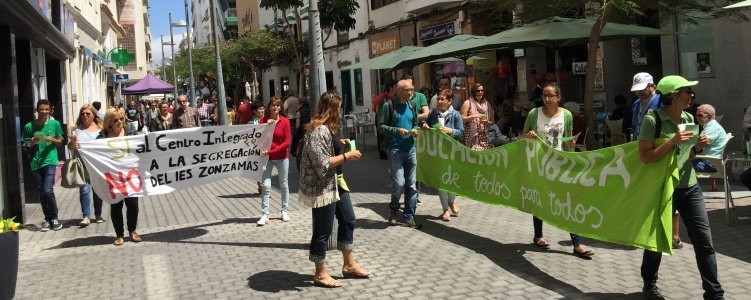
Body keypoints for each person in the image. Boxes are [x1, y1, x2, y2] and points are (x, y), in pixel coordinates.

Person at [638, 75, 723, 300]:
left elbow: (684, 156)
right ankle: (649, 284)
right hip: (663, 189)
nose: (692, 95)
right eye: (688, 91)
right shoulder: (652, 120)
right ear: (673, 95)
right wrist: (672, 141)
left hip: (690, 186)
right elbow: (645, 157)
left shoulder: (688, 117)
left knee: (704, 243)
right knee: (657, 242)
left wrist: (696, 148)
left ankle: (714, 294)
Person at [298, 91, 370, 288]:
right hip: (323, 186)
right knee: (323, 229)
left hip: (337, 183)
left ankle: (349, 265)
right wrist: (348, 156)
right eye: (338, 108)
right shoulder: (318, 131)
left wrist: (341, 144)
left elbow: (330, 148)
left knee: (348, 219)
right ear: (331, 109)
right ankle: (320, 273)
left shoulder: (328, 129)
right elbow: (322, 163)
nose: (340, 111)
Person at [522, 83, 594, 259]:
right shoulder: (534, 114)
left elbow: (569, 141)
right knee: (539, 201)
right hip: (539, 165)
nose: (547, 99)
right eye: (545, 96)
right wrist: (528, 135)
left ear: (558, 97)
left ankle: (577, 243)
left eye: (551, 95)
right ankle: (538, 235)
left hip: (560, 165)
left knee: (568, 201)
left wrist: (571, 160)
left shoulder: (567, 115)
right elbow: (523, 134)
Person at [377, 79, 420, 228]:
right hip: (395, 150)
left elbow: (415, 123)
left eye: (412, 89)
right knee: (399, 183)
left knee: (412, 185)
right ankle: (394, 209)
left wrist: (417, 129)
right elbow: (380, 126)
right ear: (398, 90)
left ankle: (409, 216)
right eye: (407, 90)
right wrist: (396, 131)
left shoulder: (412, 105)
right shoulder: (388, 105)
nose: (410, 92)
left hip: (411, 150)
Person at [99, 108, 142, 246]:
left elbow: (140, 146)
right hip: (113, 176)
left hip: (130, 174)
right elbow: (93, 150)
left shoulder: (130, 132)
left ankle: (132, 231)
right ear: (109, 122)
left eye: (121, 119)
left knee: (133, 204)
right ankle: (119, 234)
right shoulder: (103, 135)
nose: (119, 122)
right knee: (116, 205)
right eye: (115, 120)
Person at [421, 89, 464, 221]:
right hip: (438, 153)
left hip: (452, 152)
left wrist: (449, 130)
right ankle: (445, 209)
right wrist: (424, 125)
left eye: (442, 99)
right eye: (438, 99)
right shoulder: (433, 113)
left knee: (452, 180)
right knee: (441, 182)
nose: (439, 101)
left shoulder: (455, 115)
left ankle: (451, 201)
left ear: (449, 101)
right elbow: (424, 122)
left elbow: (461, 133)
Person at [22, 100, 64, 231]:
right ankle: (47, 219)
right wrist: (32, 142)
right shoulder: (29, 126)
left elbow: (60, 143)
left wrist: (53, 140)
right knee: (42, 192)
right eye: (41, 109)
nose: (44, 112)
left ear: (50, 110)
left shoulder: (55, 124)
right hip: (35, 162)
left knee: (47, 190)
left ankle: (55, 218)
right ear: (37, 110)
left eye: (46, 109)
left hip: (50, 161)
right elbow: (24, 145)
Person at [67, 105, 105, 227]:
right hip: (82, 165)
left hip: (97, 165)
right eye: (82, 113)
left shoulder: (101, 129)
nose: (85, 116)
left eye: (88, 113)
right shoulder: (77, 130)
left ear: (94, 114)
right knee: (84, 190)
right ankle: (86, 216)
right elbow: (70, 147)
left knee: (98, 190)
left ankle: (98, 214)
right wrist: (73, 143)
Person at [257, 97, 292, 226]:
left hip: (282, 157)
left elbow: (287, 142)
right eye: (273, 105)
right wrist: (267, 126)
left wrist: (272, 151)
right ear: (269, 107)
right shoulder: (263, 120)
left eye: (278, 105)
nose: (276, 108)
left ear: (281, 108)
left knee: (284, 184)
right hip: (267, 158)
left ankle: (284, 211)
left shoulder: (285, 122)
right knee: (266, 185)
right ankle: (265, 214)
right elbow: (258, 137)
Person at [691, 104, 728, 173]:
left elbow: (699, 145)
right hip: (708, 161)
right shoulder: (711, 126)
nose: (697, 118)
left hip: (708, 163)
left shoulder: (712, 127)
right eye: (696, 115)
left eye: (700, 115)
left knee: (681, 162)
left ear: (709, 115)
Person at [630, 72, 663, 141]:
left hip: (654, 142)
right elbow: (634, 125)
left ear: (653, 86)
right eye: (637, 89)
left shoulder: (660, 101)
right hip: (638, 143)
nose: (639, 91)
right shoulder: (636, 104)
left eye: (642, 88)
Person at [461, 83, 494, 151]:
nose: (480, 92)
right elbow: (462, 119)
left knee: (484, 158)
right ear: (473, 91)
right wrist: (474, 116)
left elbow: (492, 121)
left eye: (482, 90)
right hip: (471, 135)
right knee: (473, 158)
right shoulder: (468, 103)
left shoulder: (486, 104)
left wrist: (487, 122)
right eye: (478, 91)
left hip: (484, 136)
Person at [375, 79, 399, 160]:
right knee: (383, 136)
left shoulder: (396, 97)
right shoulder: (383, 98)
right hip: (383, 118)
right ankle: (384, 152)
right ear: (390, 88)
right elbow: (378, 111)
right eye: (396, 86)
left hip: (391, 118)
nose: (397, 88)